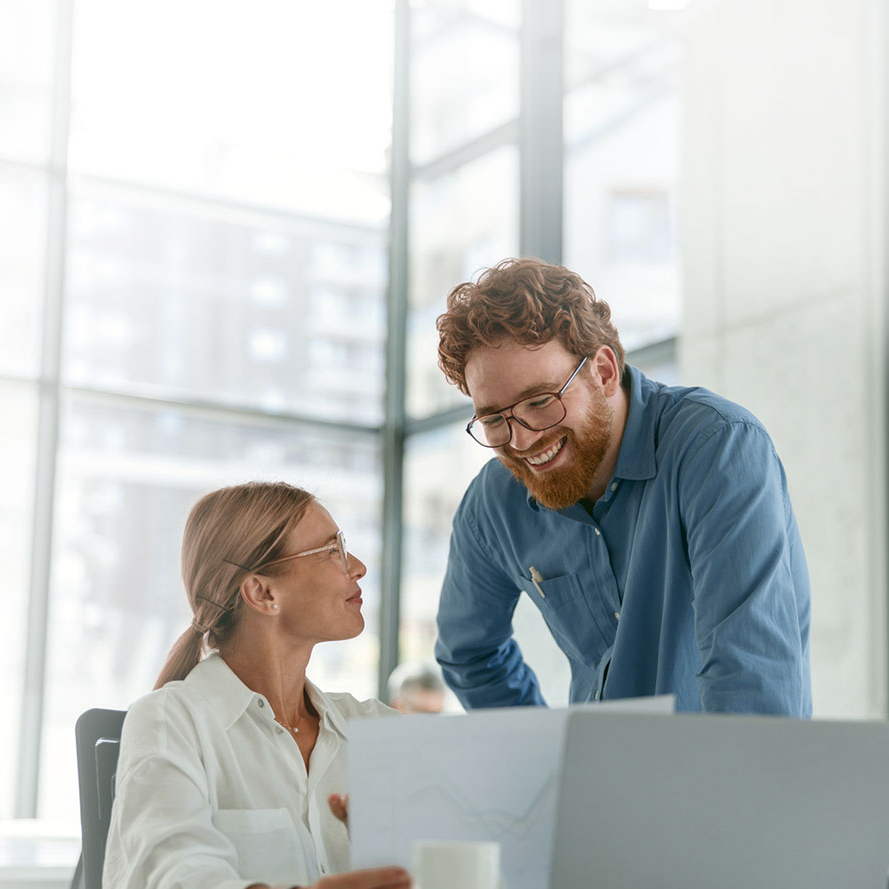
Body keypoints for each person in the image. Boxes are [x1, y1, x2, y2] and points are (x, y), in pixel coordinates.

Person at [432, 258, 811, 715]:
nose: (522, 440)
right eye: (494, 419)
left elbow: (751, 677)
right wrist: (544, 751)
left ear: (604, 372)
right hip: (591, 763)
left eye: (540, 401)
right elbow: (469, 655)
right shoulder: (493, 504)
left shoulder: (717, 447)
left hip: (720, 758)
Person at [103, 481, 413, 889]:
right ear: (263, 592)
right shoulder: (171, 721)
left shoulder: (377, 728)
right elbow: (175, 875)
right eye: (331, 550)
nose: (357, 566)